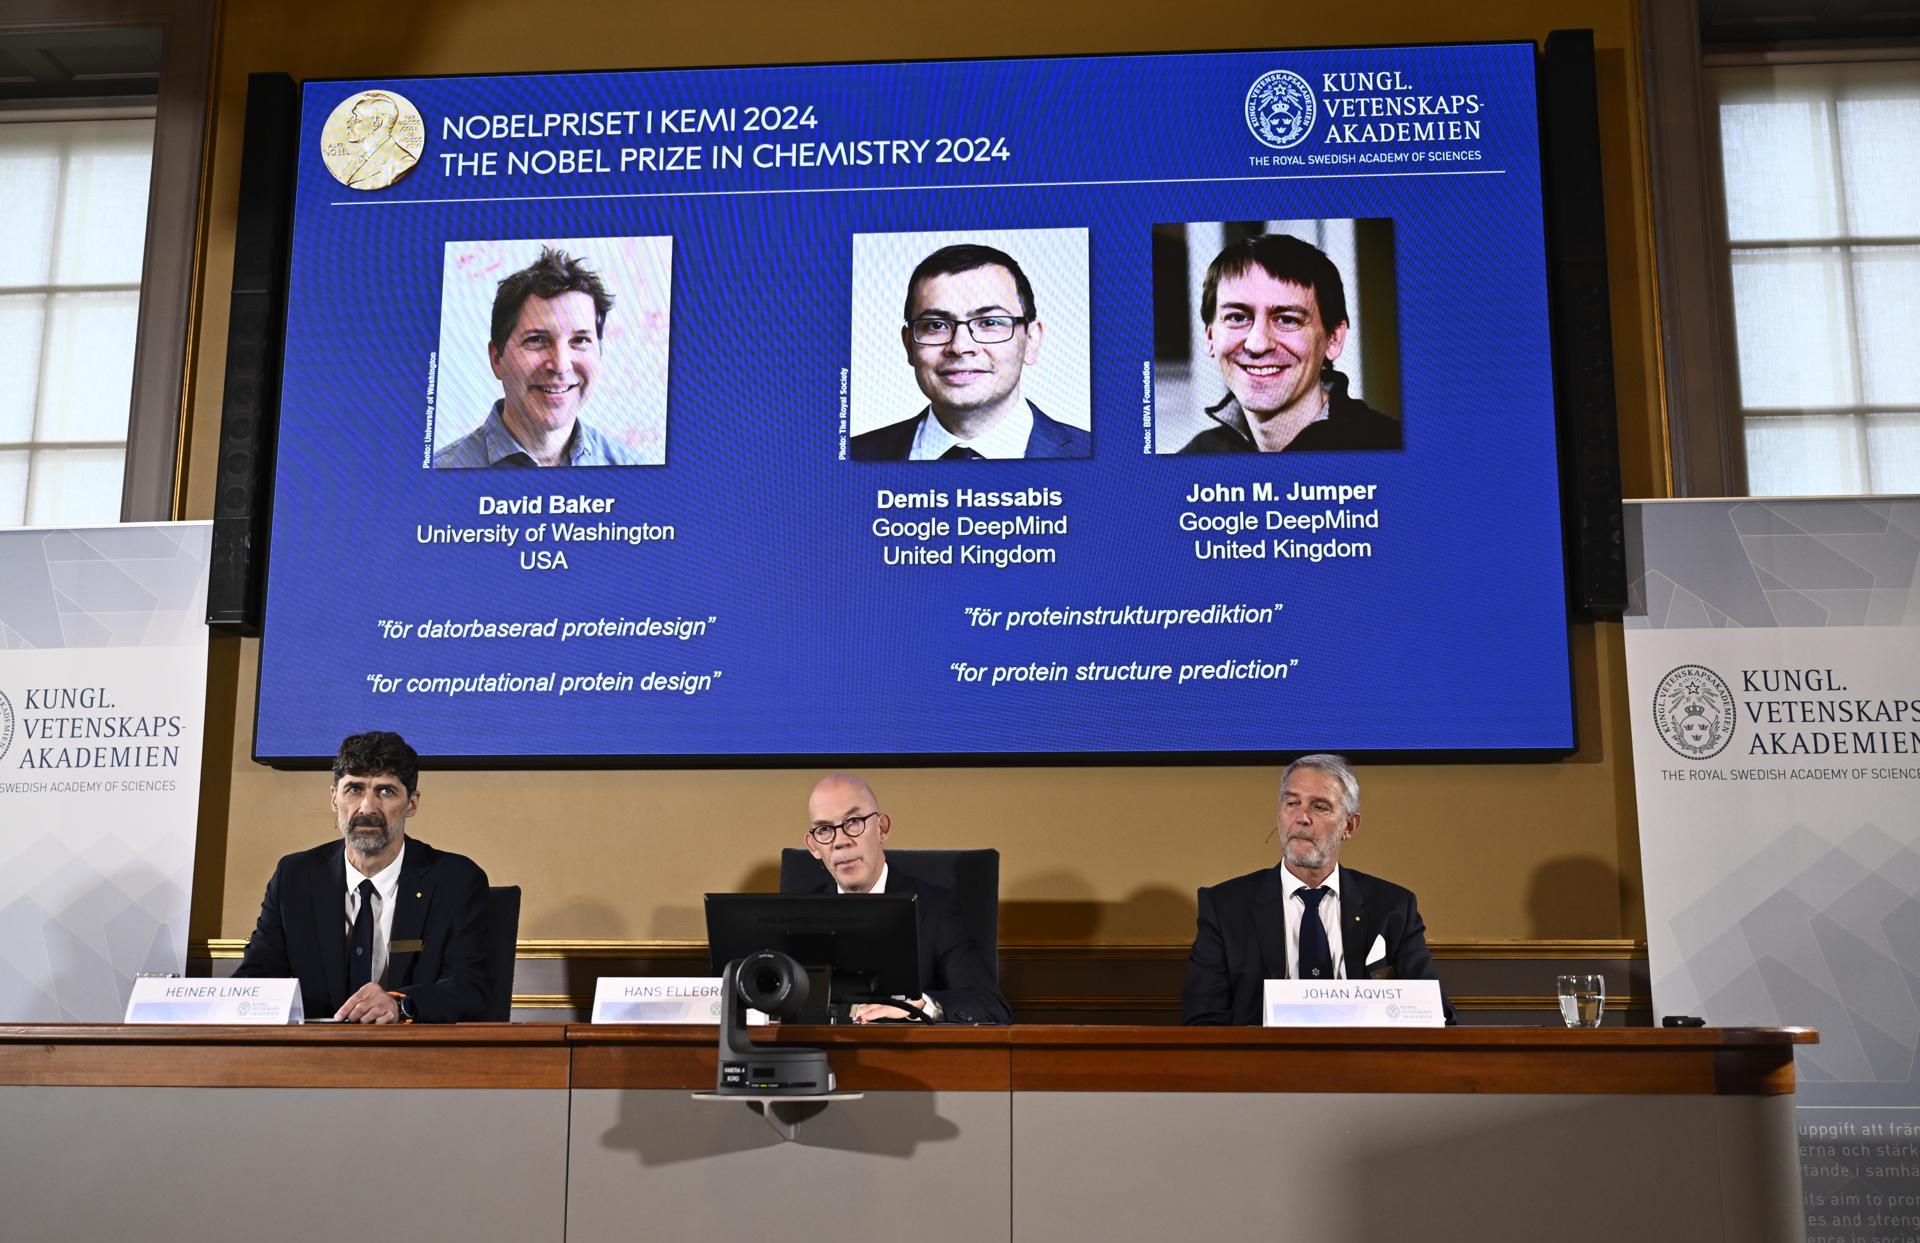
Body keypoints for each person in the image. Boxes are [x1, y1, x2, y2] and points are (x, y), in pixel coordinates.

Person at [233, 731, 492, 1023]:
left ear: (412, 803)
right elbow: (257, 977)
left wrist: (400, 1004)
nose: (367, 808)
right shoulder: (295, 877)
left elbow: (471, 988)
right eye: (354, 789)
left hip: (415, 1055)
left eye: (386, 791)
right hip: (311, 1057)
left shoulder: (455, 880)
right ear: (334, 798)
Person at [1180, 753, 1451, 1024]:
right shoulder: (1225, 907)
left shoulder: (1393, 908)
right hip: (1263, 1062)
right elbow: (1203, 1023)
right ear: (1279, 815)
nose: (1301, 817)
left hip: (1363, 1062)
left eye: (1320, 806)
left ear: (1349, 825)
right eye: (1292, 803)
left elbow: (1435, 1016)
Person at [799, 774, 1011, 1023]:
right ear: (813, 847)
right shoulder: (801, 916)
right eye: (825, 830)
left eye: (853, 822)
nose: (841, 842)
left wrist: (921, 1006)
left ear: (882, 828)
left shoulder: (936, 909)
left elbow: (990, 1007)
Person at [851, 243, 1090, 461]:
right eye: (936, 325)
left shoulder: (1105, 458)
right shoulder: (854, 455)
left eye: (989, 323)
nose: (960, 347)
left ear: (1031, 341)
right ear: (909, 345)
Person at [1179, 233, 1400, 454]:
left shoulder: (1390, 448)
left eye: (1287, 320)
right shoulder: (1196, 457)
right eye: (1237, 318)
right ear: (1210, 337)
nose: (1257, 344)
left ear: (1334, 339)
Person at [434, 247, 645, 468]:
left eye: (580, 340)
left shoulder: (635, 472)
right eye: (537, 340)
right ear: (497, 358)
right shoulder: (438, 477)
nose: (561, 365)